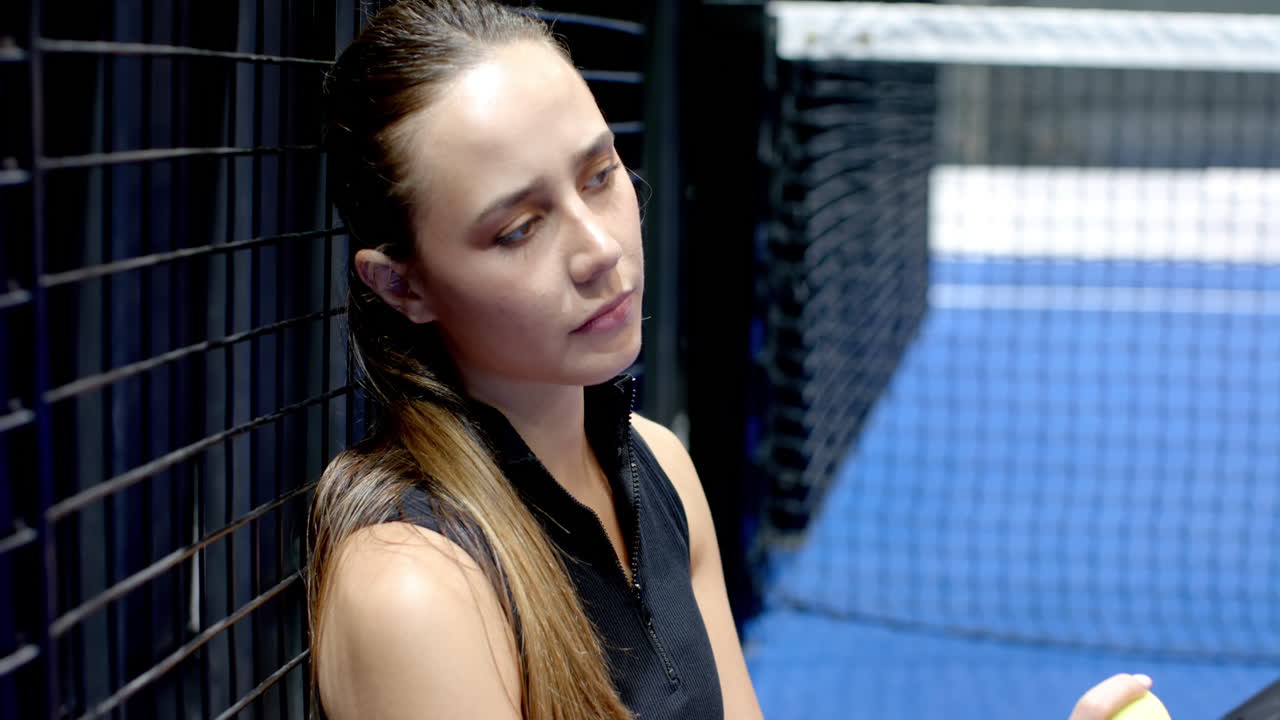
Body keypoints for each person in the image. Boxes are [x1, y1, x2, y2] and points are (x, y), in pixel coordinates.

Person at [306, 1, 1161, 718]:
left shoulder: (660, 470)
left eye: (600, 176)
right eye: (519, 229)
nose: (600, 249)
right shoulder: (416, 588)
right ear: (403, 285)